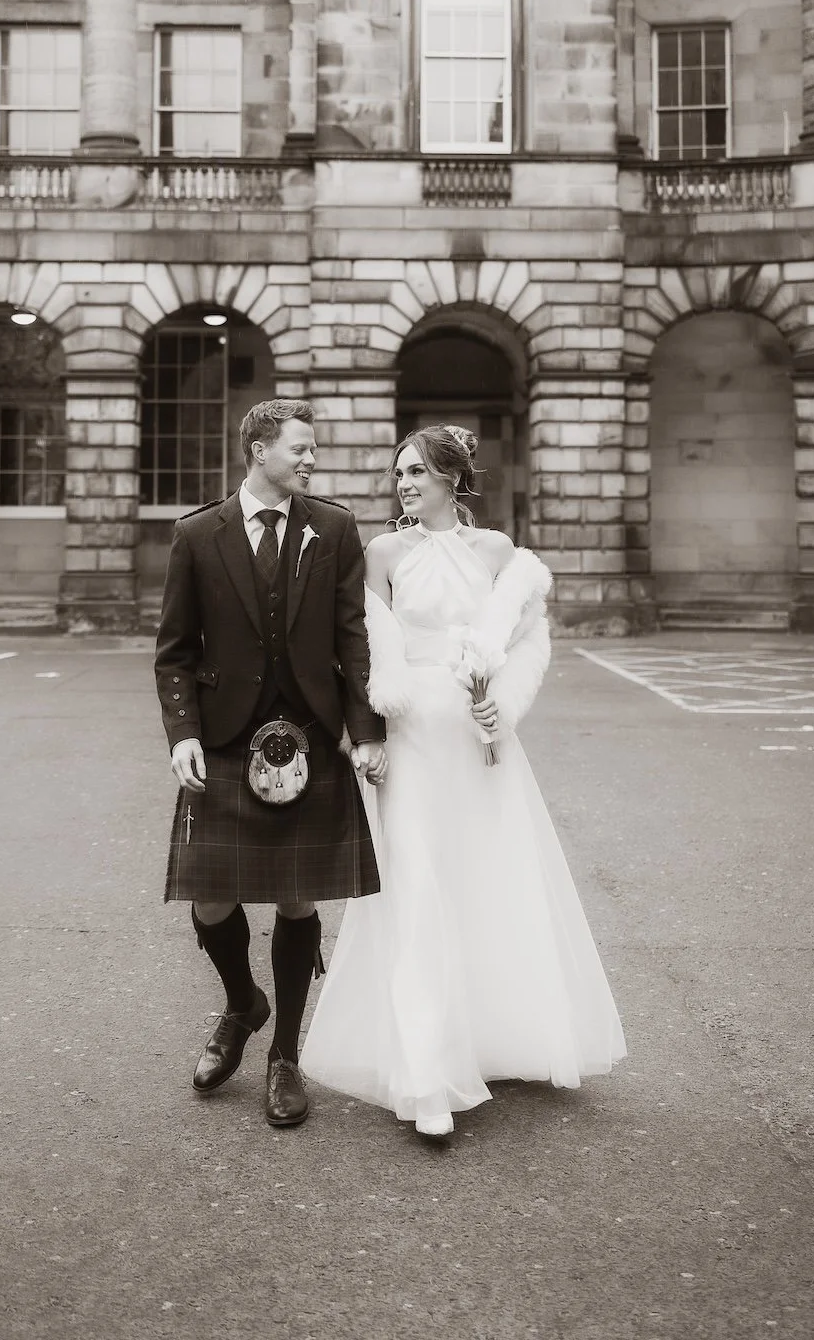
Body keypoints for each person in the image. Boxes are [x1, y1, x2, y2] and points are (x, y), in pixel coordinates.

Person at [301, 425, 625, 1141]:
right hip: (412, 739)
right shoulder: (383, 554)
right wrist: (368, 735)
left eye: (417, 472)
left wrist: (500, 705)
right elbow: (362, 653)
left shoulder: (498, 552)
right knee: (415, 887)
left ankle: (488, 1038)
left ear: (452, 478)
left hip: (479, 743)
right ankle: (426, 1075)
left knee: (485, 881)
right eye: (399, 474)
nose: (405, 484)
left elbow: (526, 639)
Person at [154, 399, 387, 1130]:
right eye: (300, 448)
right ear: (259, 450)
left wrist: (366, 729)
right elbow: (175, 650)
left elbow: (352, 634)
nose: (311, 459)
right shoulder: (199, 533)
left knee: (295, 897)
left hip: (310, 735)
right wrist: (182, 733)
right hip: (226, 736)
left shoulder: (334, 527)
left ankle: (284, 1054)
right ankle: (241, 1003)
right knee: (210, 896)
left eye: (312, 449)